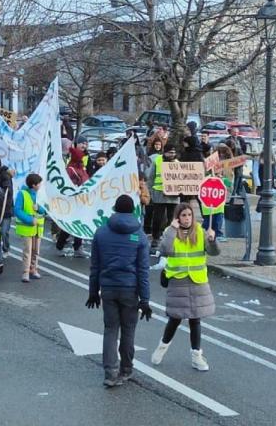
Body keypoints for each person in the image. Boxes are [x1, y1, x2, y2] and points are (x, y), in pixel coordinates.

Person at [86, 194, 151, 388]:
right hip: (130, 289)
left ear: (114, 209)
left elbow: (95, 266)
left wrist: (93, 291)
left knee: (110, 329)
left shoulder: (101, 232)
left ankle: (110, 373)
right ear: (133, 211)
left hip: (108, 287)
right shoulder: (139, 235)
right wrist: (145, 299)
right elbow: (143, 270)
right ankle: (126, 369)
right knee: (128, 330)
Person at [151, 203, 220, 372]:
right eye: (183, 215)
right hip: (178, 281)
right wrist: (172, 230)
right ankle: (162, 348)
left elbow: (214, 252)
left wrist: (212, 240)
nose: (187, 218)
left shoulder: (200, 231)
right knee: (175, 318)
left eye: (189, 215)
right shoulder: (170, 232)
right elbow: (165, 250)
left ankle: (197, 356)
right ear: (177, 217)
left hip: (197, 281)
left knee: (195, 320)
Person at [57, 141, 90, 257]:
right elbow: (67, 185)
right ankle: (60, 245)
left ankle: (77, 247)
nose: (82, 159)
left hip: (82, 200)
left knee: (80, 224)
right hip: (73, 201)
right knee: (70, 225)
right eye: (80, 158)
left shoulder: (82, 168)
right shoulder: (70, 169)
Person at [147, 144, 180, 250]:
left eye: (174, 153)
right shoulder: (158, 160)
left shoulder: (177, 163)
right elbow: (151, 177)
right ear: (165, 152)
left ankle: (170, 239)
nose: (172, 155)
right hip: (159, 192)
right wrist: (150, 191)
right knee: (158, 217)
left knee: (172, 218)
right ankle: (156, 238)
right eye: (170, 152)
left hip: (173, 194)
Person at [15, 173, 46, 282]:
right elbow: (17, 210)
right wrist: (29, 220)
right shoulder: (22, 194)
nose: (41, 185)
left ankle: (33, 269)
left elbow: (45, 209)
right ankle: (25, 272)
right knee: (27, 251)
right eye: (39, 184)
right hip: (27, 227)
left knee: (36, 251)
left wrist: (39, 209)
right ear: (33, 185)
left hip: (38, 228)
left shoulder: (39, 194)